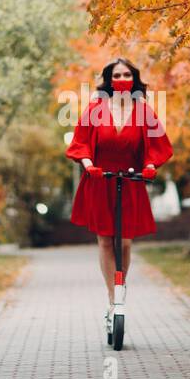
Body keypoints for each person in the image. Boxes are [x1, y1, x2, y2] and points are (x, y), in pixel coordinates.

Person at [64, 58, 173, 331]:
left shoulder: (144, 111)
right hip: (100, 179)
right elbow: (80, 143)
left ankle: (121, 289)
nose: (122, 79)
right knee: (104, 241)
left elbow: (159, 146)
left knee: (124, 242)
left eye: (127, 75)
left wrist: (149, 166)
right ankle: (113, 300)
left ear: (133, 79)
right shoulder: (95, 109)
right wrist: (88, 166)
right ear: (108, 79)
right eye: (117, 75)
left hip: (131, 179)